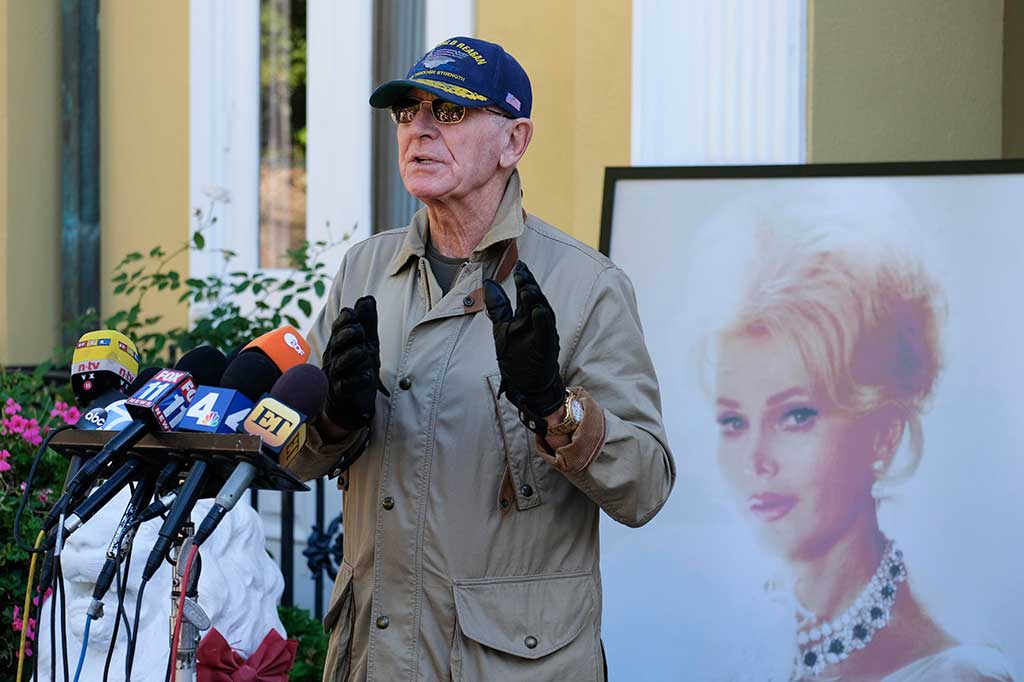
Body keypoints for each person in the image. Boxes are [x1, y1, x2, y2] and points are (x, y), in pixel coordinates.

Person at [287, 36, 675, 682]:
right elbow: (297, 454)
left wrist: (557, 409)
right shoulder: (365, 270)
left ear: (514, 141)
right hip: (372, 661)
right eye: (407, 112)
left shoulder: (585, 284)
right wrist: (333, 419)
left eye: (451, 112)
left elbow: (646, 487)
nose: (420, 130)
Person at [709, 207, 1015, 681]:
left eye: (796, 416)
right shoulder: (705, 634)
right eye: (733, 421)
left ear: (884, 434)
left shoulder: (954, 671)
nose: (755, 461)